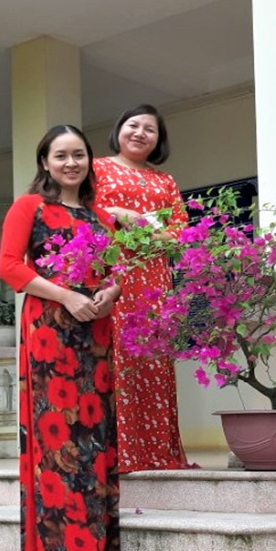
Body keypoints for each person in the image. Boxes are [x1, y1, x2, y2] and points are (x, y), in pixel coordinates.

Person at [0, 124, 121, 551]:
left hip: (96, 329)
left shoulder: (101, 216)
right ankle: (63, 548)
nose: (71, 163)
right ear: (45, 162)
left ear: (90, 160)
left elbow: (116, 270)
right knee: (59, 426)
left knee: (95, 427)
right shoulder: (29, 206)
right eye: (61, 155)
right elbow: (9, 267)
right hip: (50, 327)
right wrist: (67, 296)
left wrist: (111, 293)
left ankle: (97, 542)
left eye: (79, 155)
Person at [94, 103, 191, 473]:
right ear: (119, 129)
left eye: (150, 129)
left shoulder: (164, 182)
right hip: (112, 275)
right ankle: (116, 453)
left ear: (158, 140)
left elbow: (180, 232)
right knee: (114, 360)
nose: (140, 133)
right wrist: (117, 214)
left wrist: (145, 230)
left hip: (153, 280)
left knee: (152, 363)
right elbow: (81, 212)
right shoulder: (97, 169)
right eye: (133, 125)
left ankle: (156, 452)